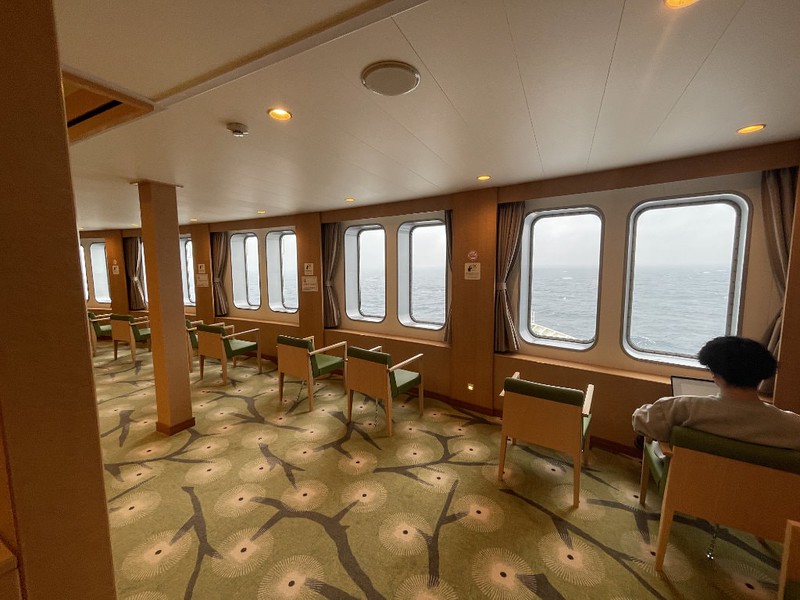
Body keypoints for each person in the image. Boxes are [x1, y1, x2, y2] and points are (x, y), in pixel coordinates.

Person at [632, 336, 800, 451]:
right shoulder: (793, 425)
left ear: (714, 373)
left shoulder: (682, 408)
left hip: (686, 481)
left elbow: (640, 420)